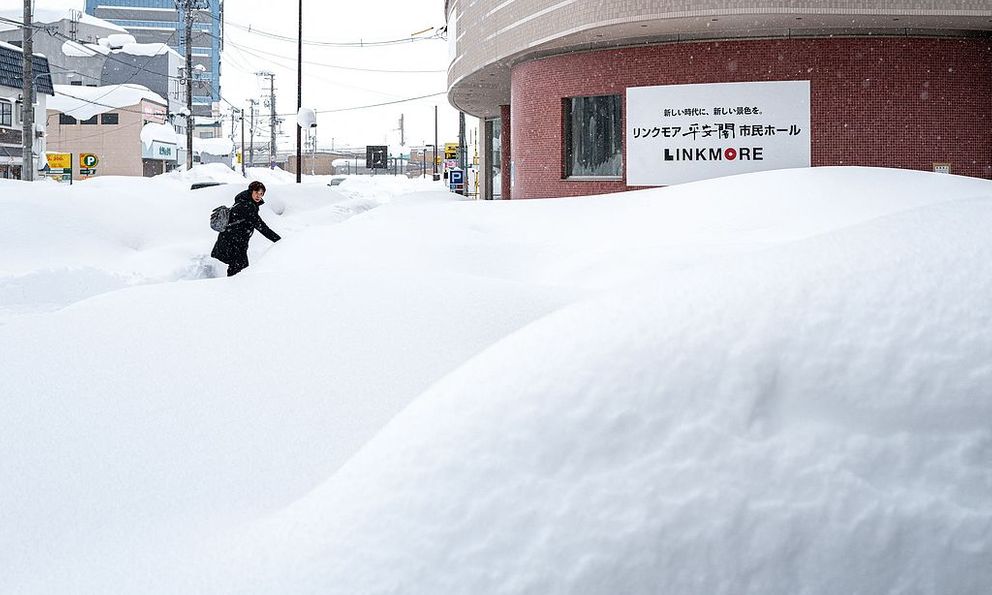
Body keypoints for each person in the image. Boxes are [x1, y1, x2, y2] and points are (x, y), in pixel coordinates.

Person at [211, 181, 281, 276]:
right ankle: (231, 288)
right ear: (251, 191)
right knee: (239, 271)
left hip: (232, 241)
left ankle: (231, 287)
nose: (258, 196)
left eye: (261, 194)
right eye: (256, 192)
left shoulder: (244, 202)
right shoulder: (247, 206)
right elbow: (261, 227)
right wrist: (279, 241)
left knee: (238, 269)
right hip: (233, 243)